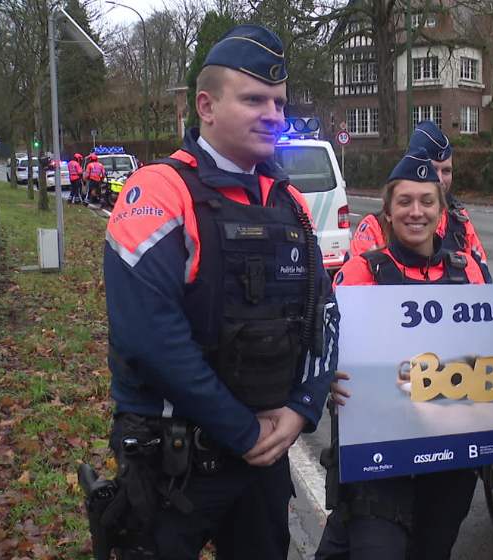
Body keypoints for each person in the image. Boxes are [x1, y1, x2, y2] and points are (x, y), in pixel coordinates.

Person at [99, 24, 339, 559]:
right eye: (254, 99)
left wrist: (302, 407)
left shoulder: (289, 202)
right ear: (205, 106)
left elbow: (323, 313)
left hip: (262, 461)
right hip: (174, 465)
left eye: (279, 102)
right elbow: (148, 339)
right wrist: (242, 431)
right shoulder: (157, 191)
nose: (273, 114)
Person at [315, 147, 488, 560]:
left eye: (427, 201)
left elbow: (492, 344)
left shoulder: (467, 270)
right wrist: (327, 375)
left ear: (440, 211)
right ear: (388, 213)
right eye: (405, 202)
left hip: (448, 454)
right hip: (378, 456)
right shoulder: (360, 272)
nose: (416, 212)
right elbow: (324, 348)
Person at [349, 120, 490, 281]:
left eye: (446, 171)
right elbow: (355, 282)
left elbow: (484, 283)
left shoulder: (459, 222)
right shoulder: (374, 228)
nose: (439, 180)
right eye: (432, 170)